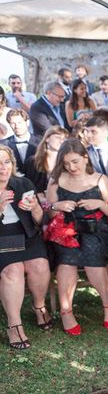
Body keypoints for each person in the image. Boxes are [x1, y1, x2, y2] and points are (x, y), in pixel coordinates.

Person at [45, 139, 108, 335]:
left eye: (75, 161)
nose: (71, 167)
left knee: (92, 259)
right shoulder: (56, 180)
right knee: (66, 261)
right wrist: (56, 206)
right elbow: (49, 211)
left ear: (85, 157)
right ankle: (66, 311)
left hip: (95, 228)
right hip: (65, 228)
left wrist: (99, 203)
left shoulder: (99, 179)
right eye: (67, 163)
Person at [0, 146, 52, 349]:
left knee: (39, 265)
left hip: (25, 236)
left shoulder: (22, 183)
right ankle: (14, 325)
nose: (2, 167)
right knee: (14, 270)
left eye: (6, 162)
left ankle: (39, 306)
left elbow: (39, 221)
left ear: (12, 164)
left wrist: (36, 208)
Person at [23, 126, 69, 202]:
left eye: (64, 139)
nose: (61, 141)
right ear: (47, 138)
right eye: (58, 137)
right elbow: (27, 188)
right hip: (39, 205)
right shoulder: (32, 162)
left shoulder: (67, 162)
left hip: (64, 203)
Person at [2, 109, 38, 174]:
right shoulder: (3, 144)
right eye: (13, 123)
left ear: (27, 122)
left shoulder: (40, 143)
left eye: (19, 122)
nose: (17, 126)